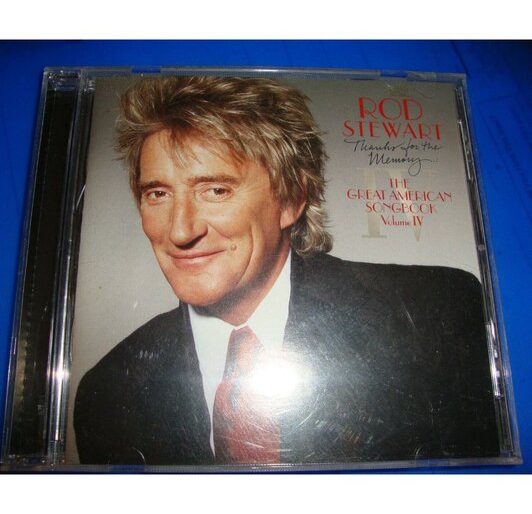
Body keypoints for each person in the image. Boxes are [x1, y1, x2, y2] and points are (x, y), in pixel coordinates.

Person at [74, 76, 500, 467]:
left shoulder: (435, 314)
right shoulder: (107, 391)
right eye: (157, 194)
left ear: (292, 199)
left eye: (215, 190)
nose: (180, 231)